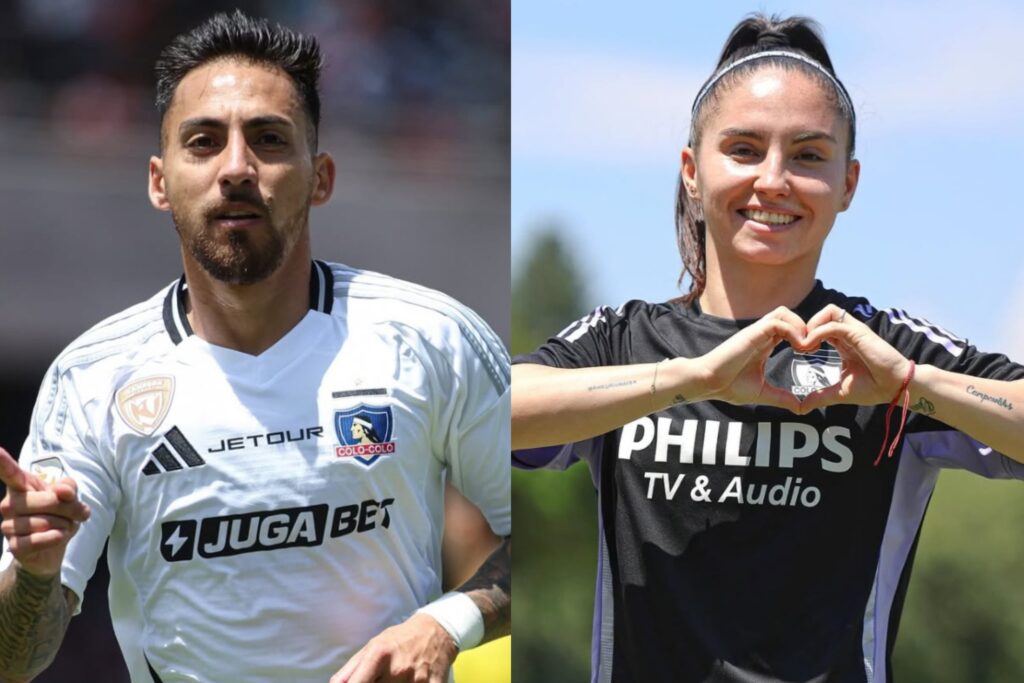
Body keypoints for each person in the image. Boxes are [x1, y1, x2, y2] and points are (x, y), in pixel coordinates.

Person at [512, 13, 1024, 683]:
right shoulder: (626, 341)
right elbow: (491, 411)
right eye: (745, 149)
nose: (774, 179)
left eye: (809, 154)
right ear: (693, 171)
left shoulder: (882, 350)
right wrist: (690, 379)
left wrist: (908, 384)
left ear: (849, 183)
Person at [0, 11, 510, 683]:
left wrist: (447, 622)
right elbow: (13, 659)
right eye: (204, 141)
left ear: (321, 176)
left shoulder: (432, 338)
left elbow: (550, 529)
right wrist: (37, 570)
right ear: (160, 181)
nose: (236, 167)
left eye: (268, 139)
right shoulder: (94, 377)